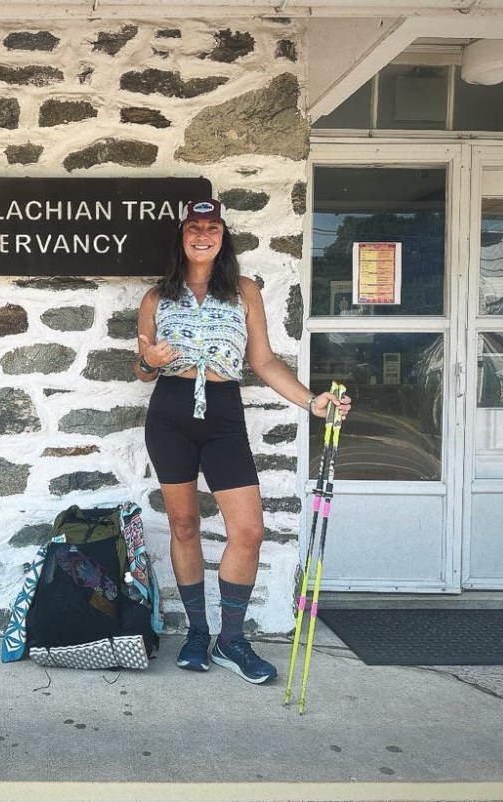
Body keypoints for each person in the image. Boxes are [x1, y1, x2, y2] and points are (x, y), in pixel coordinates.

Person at [133, 198, 352, 684]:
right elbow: (142, 370)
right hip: (169, 415)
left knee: (248, 531)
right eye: (194, 227)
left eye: (212, 227)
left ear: (222, 236)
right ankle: (196, 633)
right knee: (185, 525)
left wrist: (311, 402)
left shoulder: (244, 291)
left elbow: (265, 360)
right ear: (182, 236)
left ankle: (231, 639)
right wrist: (152, 360)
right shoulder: (155, 298)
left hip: (223, 415)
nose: (203, 235)